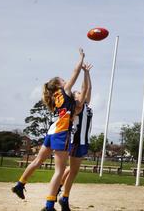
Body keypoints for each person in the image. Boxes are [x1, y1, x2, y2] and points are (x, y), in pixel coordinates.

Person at [11, 48, 87, 211]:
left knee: (38, 161)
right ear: (59, 84)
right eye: (63, 79)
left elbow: (81, 95)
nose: (66, 80)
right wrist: (81, 58)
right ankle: (49, 205)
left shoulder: (56, 96)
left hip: (52, 132)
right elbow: (75, 71)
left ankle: (20, 184)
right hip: (61, 133)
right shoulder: (65, 91)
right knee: (59, 171)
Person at [57, 62, 93, 211]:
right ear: (75, 97)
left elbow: (88, 88)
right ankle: (64, 198)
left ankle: (59, 187)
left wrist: (87, 73)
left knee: (72, 170)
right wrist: (83, 72)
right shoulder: (76, 108)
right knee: (73, 171)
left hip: (83, 141)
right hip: (76, 141)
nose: (81, 93)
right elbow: (85, 89)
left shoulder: (86, 105)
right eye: (77, 93)